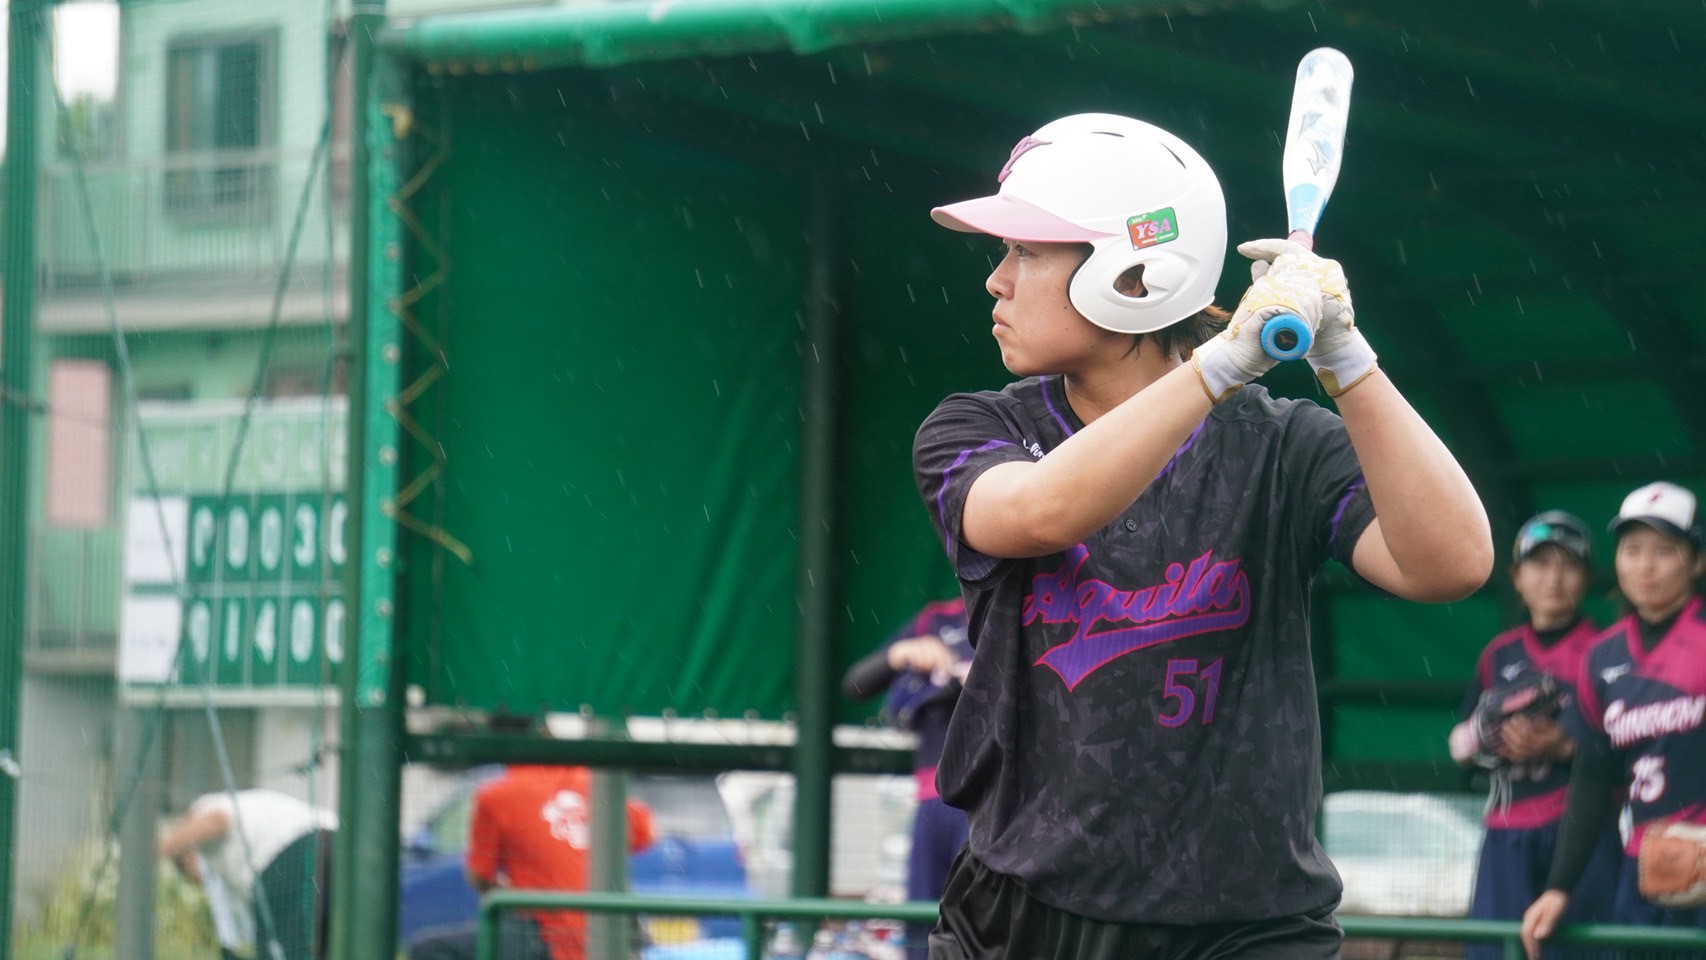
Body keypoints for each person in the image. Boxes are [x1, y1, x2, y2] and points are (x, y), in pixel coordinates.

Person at [910, 112, 1493, 959]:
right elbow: (1039, 512)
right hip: (1024, 916)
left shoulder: (1285, 445)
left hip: (1249, 927)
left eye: (1027, 252)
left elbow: (1452, 563)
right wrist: (1225, 361)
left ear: (1134, 273)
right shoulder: (974, 427)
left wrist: (1346, 356)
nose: (996, 282)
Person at [1521, 482, 1706, 959]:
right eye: (1632, 549)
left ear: (1696, 561)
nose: (1645, 566)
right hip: (1641, 871)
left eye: (1664, 551)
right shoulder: (1603, 656)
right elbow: (1592, 779)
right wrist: (1559, 887)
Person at [1447, 511, 1620, 959]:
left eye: (1568, 565)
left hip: (1580, 832)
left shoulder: (1607, 651)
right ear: (1517, 577)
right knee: (1494, 951)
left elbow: (1628, 746)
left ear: (1588, 577)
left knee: (1583, 952)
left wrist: (1564, 744)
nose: (1554, 578)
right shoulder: (1498, 654)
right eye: (1540, 564)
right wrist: (1482, 738)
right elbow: (1460, 744)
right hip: (1506, 832)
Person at [407, 765, 656, 960]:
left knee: (427, 950)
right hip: (613, 937)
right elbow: (646, 835)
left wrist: (515, 890)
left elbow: (479, 875)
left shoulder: (497, 795)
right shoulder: (596, 784)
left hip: (544, 937)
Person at [842, 596, 974, 958]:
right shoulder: (937, 619)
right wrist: (902, 654)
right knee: (922, 928)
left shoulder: (1031, 608)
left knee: (981, 924)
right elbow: (856, 686)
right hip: (931, 799)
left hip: (993, 802)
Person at [157, 787, 337, 960]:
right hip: (337, 846)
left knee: (284, 947)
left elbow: (217, 820)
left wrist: (159, 849)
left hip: (294, 854)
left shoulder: (206, 807)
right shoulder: (249, 809)